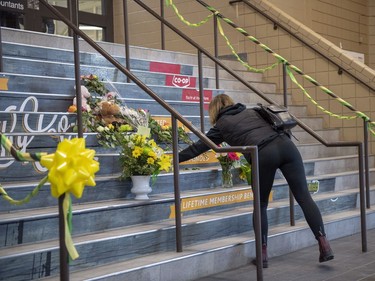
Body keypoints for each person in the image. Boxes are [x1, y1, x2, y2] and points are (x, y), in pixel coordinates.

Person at [178, 94, 334, 268]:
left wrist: (175, 158)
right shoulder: (253, 112)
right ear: (231, 103)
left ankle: (262, 255)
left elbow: (199, 147)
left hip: (262, 153)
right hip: (287, 146)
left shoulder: (221, 125)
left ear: (213, 111)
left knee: (260, 205)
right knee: (304, 197)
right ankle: (324, 244)